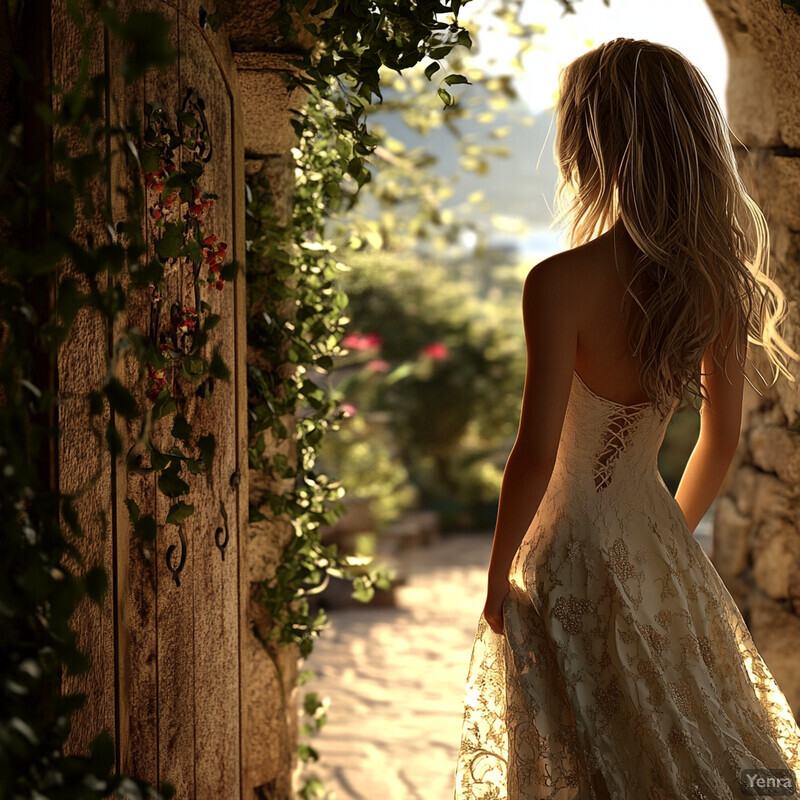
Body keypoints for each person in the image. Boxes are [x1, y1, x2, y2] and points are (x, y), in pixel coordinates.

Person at [453, 38, 800, 800]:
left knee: (581, 753)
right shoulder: (716, 284)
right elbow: (723, 439)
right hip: (659, 542)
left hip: (566, 549)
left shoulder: (558, 282)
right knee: (682, 737)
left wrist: (495, 574)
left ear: (594, 140)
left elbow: (536, 452)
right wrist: (669, 536)